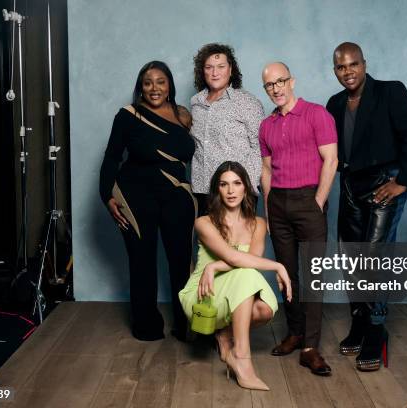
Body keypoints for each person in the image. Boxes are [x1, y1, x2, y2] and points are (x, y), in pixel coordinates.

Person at [326, 42, 407, 371]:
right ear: (335, 70)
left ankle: (376, 329)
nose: (348, 72)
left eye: (353, 64)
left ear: (364, 64)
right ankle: (359, 321)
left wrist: (402, 182)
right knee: (350, 254)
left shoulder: (390, 92)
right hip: (351, 184)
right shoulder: (335, 103)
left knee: (374, 255)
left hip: (386, 182)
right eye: (341, 67)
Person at [99, 61, 195, 342]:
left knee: (181, 261)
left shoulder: (183, 116)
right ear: (140, 87)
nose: (155, 88)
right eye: (148, 82)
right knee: (142, 262)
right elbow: (111, 158)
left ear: (170, 86)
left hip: (177, 196)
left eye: (161, 81)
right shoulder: (128, 116)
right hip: (135, 196)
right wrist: (107, 196)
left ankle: (185, 325)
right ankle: (146, 326)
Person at [179, 161, 292, 391]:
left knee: (265, 308)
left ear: (246, 188)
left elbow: (251, 259)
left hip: (236, 290)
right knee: (246, 272)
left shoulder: (259, 224)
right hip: (205, 295)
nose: (231, 191)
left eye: (237, 183)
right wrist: (278, 266)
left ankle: (225, 335)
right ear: (217, 190)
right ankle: (241, 356)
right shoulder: (204, 222)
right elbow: (237, 258)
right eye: (224, 184)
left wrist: (215, 266)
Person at [259, 62, 338, 376]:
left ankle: (311, 347)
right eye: (269, 85)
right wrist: (268, 208)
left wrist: (317, 201)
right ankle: (295, 333)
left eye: (280, 82)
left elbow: (330, 160)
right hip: (277, 202)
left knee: (313, 275)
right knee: (286, 273)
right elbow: (266, 170)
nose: (276, 89)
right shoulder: (266, 125)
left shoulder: (317, 114)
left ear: (292, 81)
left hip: (308, 200)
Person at [190, 43, 265, 215]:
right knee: (208, 242)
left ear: (231, 70)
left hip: (236, 193)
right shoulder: (196, 103)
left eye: (221, 66)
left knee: (238, 242)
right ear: (203, 71)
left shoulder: (247, 102)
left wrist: (248, 185)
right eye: (209, 67)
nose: (215, 72)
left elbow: (259, 148)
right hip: (203, 191)